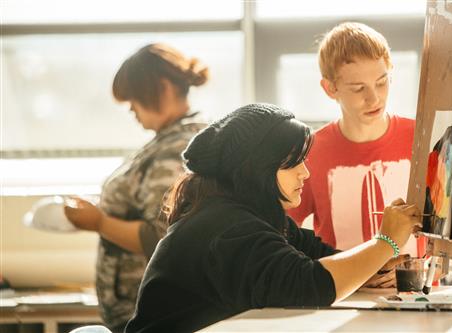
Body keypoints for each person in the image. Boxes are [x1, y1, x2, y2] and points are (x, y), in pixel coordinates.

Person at [124, 103, 421, 332]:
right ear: (257, 169)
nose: (305, 172)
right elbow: (309, 285)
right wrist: (385, 243)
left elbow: (318, 255)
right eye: (292, 164)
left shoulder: (256, 216)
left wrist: (375, 269)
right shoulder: (226, 228)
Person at [63, 43, 208, 331]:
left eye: (134, 100)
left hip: (152, 313)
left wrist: (99, 221)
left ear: (163, 88)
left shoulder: (178, 148)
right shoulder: (164, 141)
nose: (131, 109)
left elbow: (162, 236)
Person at [288, 23, 426, 278]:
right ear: (331, 88)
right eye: (358, 88)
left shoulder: (423, 139)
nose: (374, 98)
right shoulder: (309, 154)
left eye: (382, 82)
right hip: (343, 301)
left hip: (421, 299)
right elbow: (280, 236)